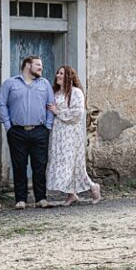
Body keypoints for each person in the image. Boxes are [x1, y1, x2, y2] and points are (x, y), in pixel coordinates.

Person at [0, 55, 55, 210]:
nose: (41, 68)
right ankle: (21, 199)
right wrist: (8, 127)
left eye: (41, 65)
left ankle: (41, 198)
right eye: (38, 65)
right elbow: (2, 104)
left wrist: (47, 127)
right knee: (19, 165)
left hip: (39, 131)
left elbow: (51, 105)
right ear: (27, 65)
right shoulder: (10, 83)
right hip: (17, 131)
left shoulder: (45, 84)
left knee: (39, 166)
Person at [46, 65, 102, 206]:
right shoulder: (56, 93)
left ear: (68, 77)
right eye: (57, 73)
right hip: (58, 134)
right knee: (61, 163)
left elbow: (77, 114)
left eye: (61, 74)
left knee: (72, 164)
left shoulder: (76, 93)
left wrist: (57, 112)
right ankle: (72, 195)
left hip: (70, 135)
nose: (58, 76)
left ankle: (93, 186)